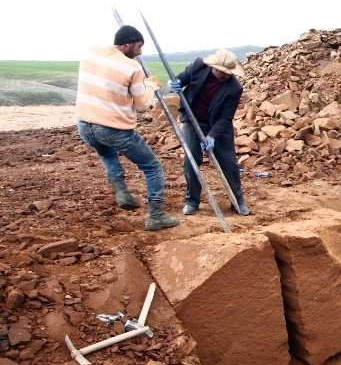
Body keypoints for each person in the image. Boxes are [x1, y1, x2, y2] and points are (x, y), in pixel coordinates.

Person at [76, 25, 180, 231]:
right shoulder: (132, 68)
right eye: (139, 46)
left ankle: (122, 193)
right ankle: (156, 216)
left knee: (106, 154)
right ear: (128, 44)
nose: (140, 52)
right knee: (152, 167)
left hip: (84, 124)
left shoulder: (91, 53)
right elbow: (142, 106)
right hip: (112, 128)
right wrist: (151, 86)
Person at [167, 49, 249, 216]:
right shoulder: (198, 67)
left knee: (228, 162)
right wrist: (174, 84)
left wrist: (211, 136)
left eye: (229, 73)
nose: (226, 75)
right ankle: (192, 201)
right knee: (191, 160)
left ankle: (237, 201)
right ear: (213, 66)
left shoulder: (234, 88)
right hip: (192, 119)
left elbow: (226, 118)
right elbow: (181, 79)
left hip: (217, 125)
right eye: (222, 71)